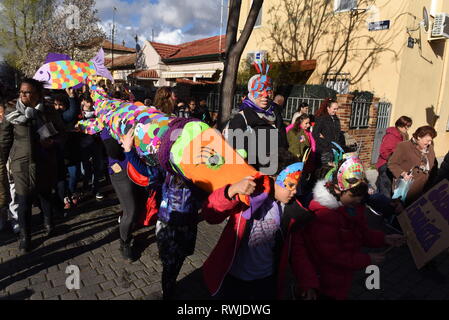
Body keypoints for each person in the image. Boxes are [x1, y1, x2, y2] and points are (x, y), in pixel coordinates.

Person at [201, 150, 303, 299]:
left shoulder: (290, 210)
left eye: (297, 186)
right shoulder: (247, 198)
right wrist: (232, 190)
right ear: (274, 178)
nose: (294, 191)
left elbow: (298, 250)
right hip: (234, 278)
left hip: (265, 281)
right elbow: (210, 215)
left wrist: (307, 282)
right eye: (290, 185)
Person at [302, 156, 405, 299]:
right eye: (354, 195)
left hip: (342, 278)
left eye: (361, 196)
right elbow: (332, 255)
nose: (358, 200)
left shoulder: (352, 208)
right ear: (338, 189)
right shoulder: (324, 216)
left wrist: (385, 238)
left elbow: (361, 234)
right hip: (324, 282)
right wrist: (367, 259)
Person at [121, 124, 204, 299]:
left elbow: (208, 193)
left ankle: (171, 283)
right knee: (169, 263)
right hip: (167, 224)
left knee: (180, 259)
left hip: (188, 225)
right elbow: (144, 169)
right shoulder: (165, 169)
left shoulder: (200, 171)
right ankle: (168, 291)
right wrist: (129, 150)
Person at [0, 78, 65, 252]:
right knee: (24, 201)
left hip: (45, 161)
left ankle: (49, 222)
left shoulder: (48, 111)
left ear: (38, 94)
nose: (22, 95)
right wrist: (2, 161)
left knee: (45, 195)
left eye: (27, 92)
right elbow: (5, 140)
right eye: (21, 92)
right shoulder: (12, 110)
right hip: (21, 163)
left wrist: (53, 142)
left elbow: (61, 133)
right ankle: (25, 236)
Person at [226, 62, 289, 174]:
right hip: (252, 176)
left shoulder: (275, 114)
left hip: (275, 173)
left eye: (268, 90)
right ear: (251, 92)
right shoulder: (241, 118)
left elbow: (284, 144)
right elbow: (234, 152)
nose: (265, 95)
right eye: (260, 90)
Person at [388, 125, 438, 206]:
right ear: (418, 137)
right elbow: (392, 163)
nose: (429, 143)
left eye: (431, 140)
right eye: (427, 140)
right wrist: (402, 173)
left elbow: (434, 166)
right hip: (406, 188)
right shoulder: (403, 146)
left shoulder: (430, 148)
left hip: (423, 188)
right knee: (399, 213)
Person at [375, 116, 412, 198]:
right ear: (401, 125)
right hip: (386, 165)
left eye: (409, 126)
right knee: (385, 191)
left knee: (387, 188)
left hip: (393, 165)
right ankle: (382, 207)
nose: (408, 128)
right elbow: (384, 151)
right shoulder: (391, 135)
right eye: (407, 126)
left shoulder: (402, 135)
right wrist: (394, 159)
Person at [79, 95, 104, 201]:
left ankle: (95, 188)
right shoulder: (79, 114)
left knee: (96, 167)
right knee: (85, 169)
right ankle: (85, 187)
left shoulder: (97, 113)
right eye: (86, 101)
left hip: (96, 143)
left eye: (90, 101)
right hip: (83, 144)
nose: (88, 104)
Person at [312, 98, 345, 166]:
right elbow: (315, 133)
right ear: (328, 108)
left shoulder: (336, 119)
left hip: (335, 150)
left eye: (337, 109)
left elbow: (337, 134)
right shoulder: (322, 118)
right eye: (334, 109)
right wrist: (326, 144)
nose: (335, 111)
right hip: (325, 150)